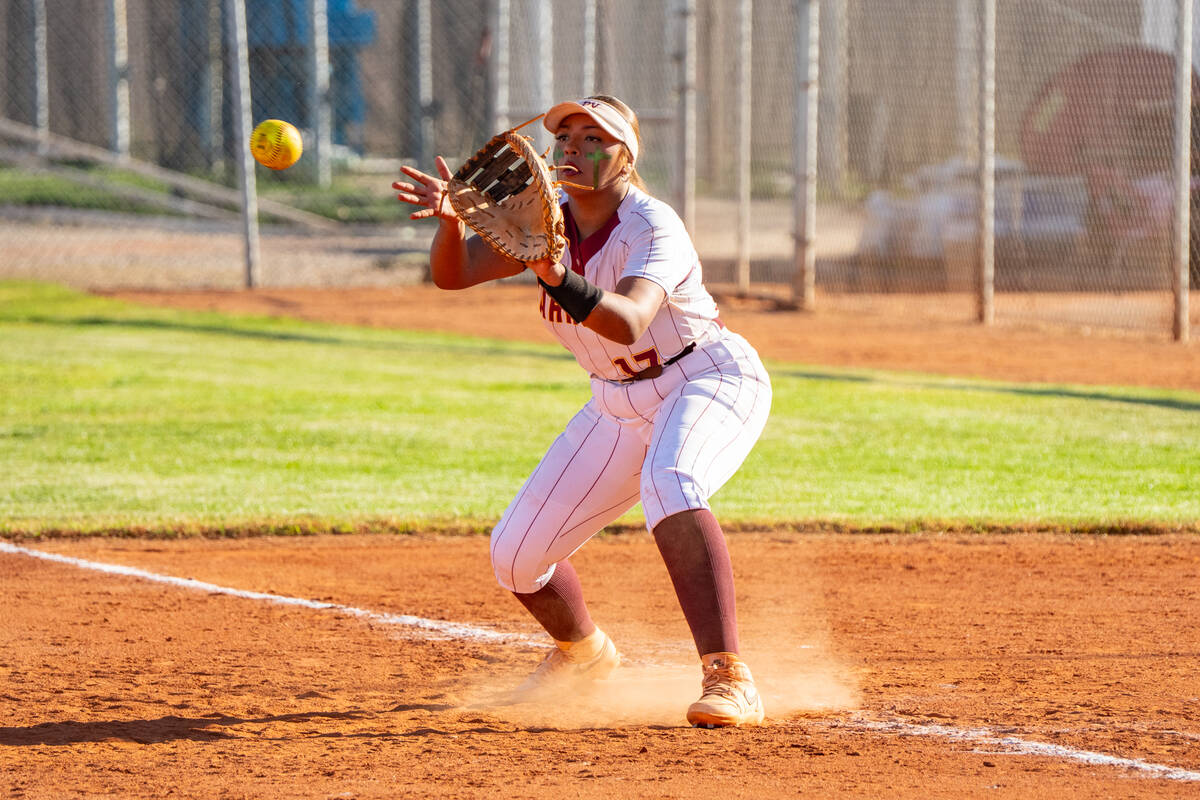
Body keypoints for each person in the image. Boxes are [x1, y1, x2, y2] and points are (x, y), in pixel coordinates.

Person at [392, 95, 772, 728]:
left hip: (704, 377)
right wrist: (453, 220)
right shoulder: (546, 221)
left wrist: (551, 273)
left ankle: (729, 675)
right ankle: (585, 655)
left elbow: (626, 323)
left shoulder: (652, 226)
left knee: (670, 483)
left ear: (626, 155)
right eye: (566, 135)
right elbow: (453, 276)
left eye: (594, 136)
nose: (573, 146)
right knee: (514, 555)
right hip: (616, 401)